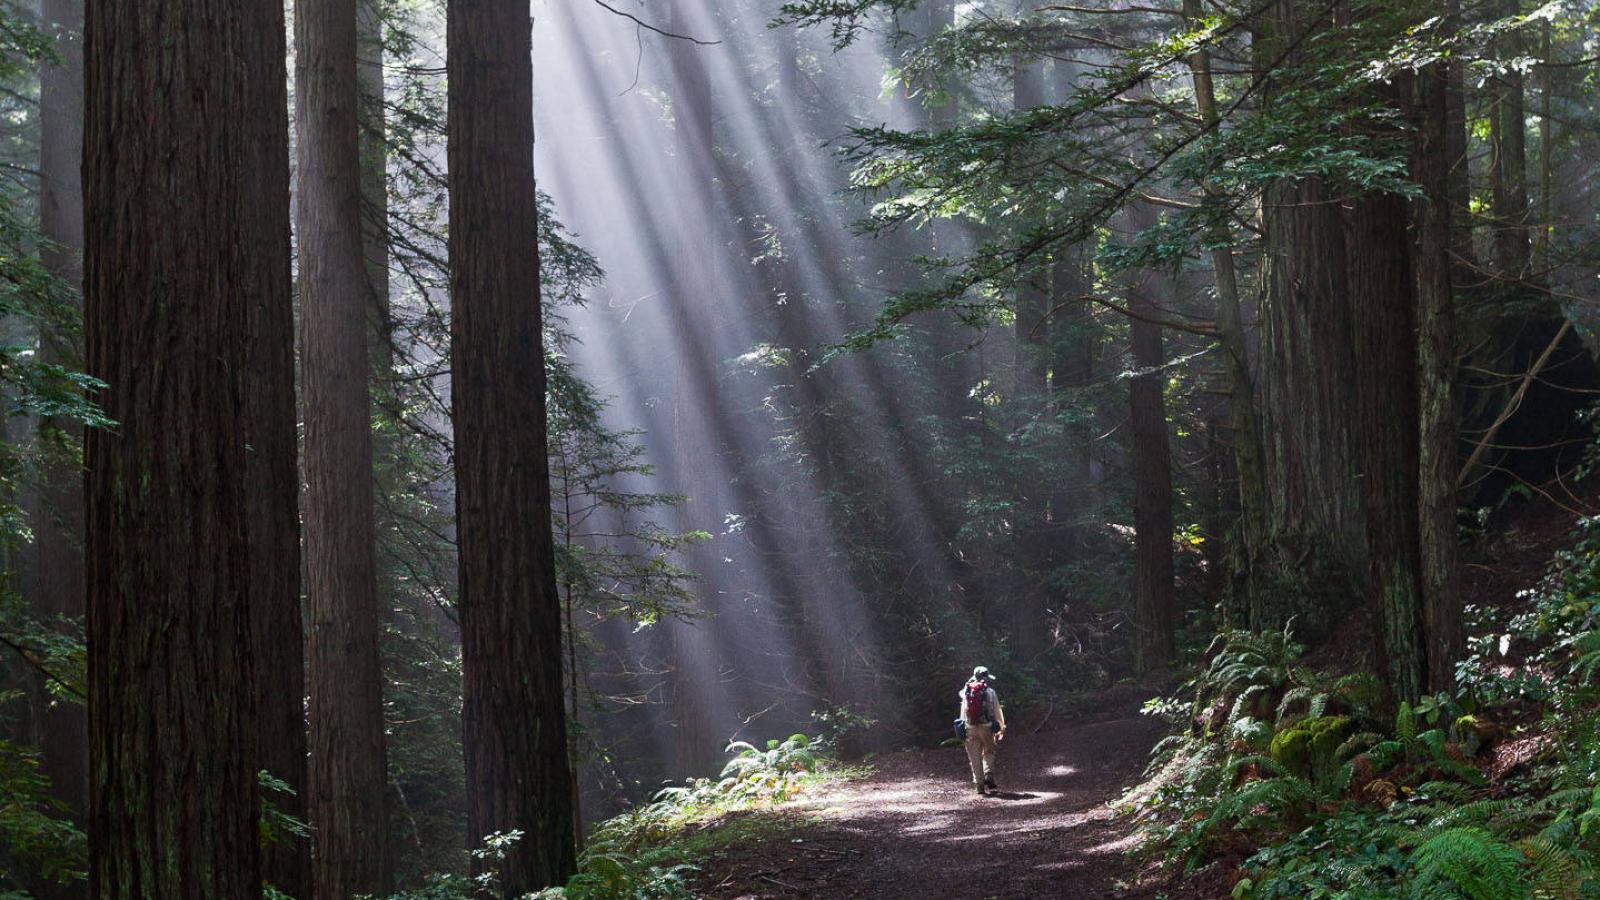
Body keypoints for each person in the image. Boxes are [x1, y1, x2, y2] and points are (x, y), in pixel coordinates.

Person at [958, 665, 1006, 794]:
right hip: (987, 727)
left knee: (974, 757)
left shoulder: (966, 691)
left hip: (970, 727)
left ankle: (979, 786)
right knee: (989, 751)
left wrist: (963, 728)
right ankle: (988, 774)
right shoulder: (990, 692)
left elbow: (963, 712)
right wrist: (1001, 727)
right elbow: (997, 710)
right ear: (986, 678)